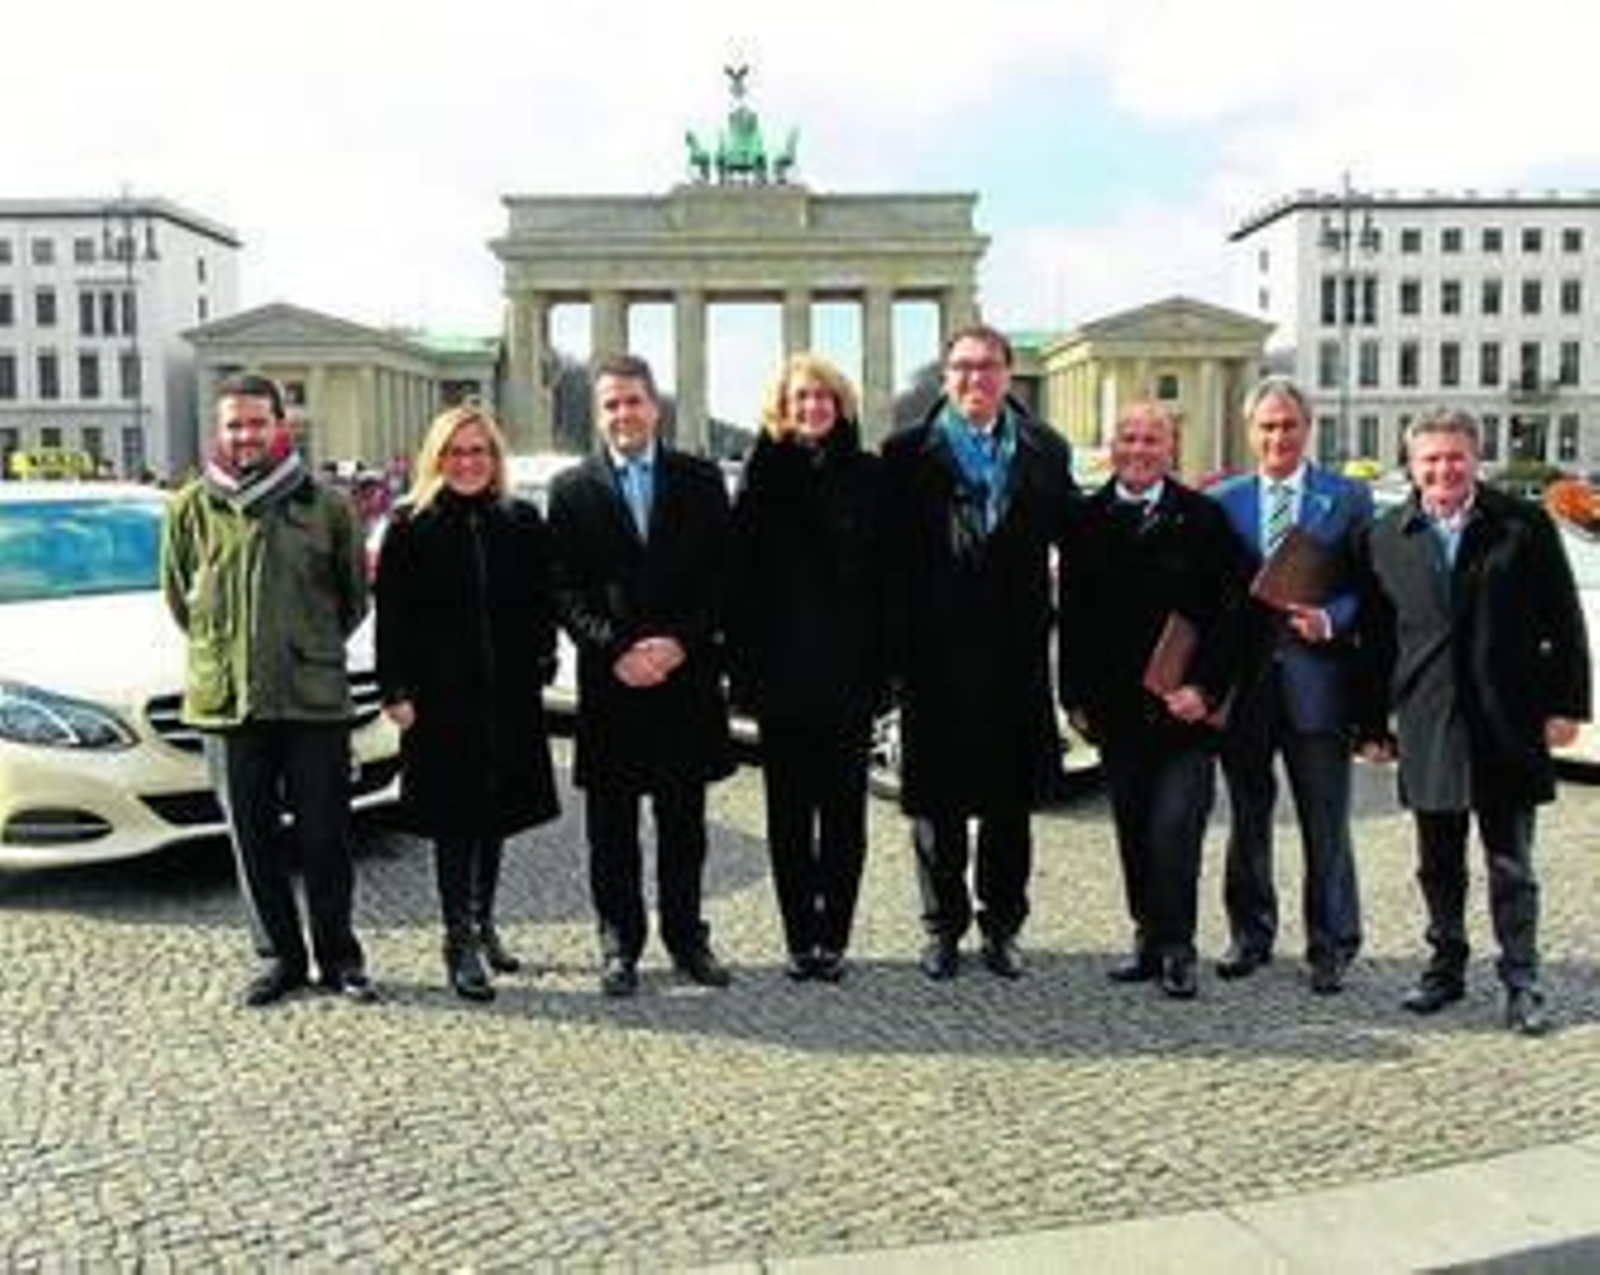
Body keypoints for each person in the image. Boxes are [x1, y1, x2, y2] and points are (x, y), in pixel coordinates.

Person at [1355, 409, 1589, 1036]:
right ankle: (1445, 968)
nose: (1443, 470)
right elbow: (1375, 639)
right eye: (1430, 459)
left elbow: (1562, 619)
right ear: (1412, 466)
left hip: (1506, 720)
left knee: (1511, 864)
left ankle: (1522, 979)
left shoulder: (1523, 526)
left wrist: (1568, 705)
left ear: (1475, 459)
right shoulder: (1385, 536)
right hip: (1429, 718)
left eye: (1455, 457)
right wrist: (1370, 724)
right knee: (1438, 862)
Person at [160, 373, 376, 1007]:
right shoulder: (191, 507)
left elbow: (352, 601)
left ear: (281, 425)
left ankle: (339, 957)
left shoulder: (327, 505)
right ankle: (280, 957)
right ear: (218, 431)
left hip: (312, 699)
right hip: (227, 703)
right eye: (234, 424)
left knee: (325, 837)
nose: (245, 435)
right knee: (252, 840)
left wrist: (301, 645)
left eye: (257, 422)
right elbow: (180, 599)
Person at [881, 322, 1077, 980]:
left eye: (987, 366)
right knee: (937, 807)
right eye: (962, 367)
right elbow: (885, 566)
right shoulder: (905, 454)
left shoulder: (1046, 450)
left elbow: (1079, 543)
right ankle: (942, 926)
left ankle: (1002, 925)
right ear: (945, 377)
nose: (974, 378)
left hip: (1016, 656)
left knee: (1008, 805)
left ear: (1008, 375)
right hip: (933, 657)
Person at [546, 354, 735, 997]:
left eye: (633, 401)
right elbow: (564, 590)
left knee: (685, 827)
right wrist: (616, 649)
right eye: (611, 405)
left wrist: (681, 643)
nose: (623, 415)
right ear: (599, 415)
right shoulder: (572, 489)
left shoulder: (701, 479)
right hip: (612, 683)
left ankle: (687, 938)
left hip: (684, 680)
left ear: (656, 407)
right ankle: (619, 943)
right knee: (611, 832)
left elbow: (722, 576)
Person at [1058, 401, 1247, 998]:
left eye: (1151, 440)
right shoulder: (1085, 519)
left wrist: (1207, 688)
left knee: (1175, 829)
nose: (1138, 450)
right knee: (1134, 831)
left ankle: (1178, 947)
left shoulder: (1204, 519)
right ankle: (1146, 936)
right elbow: (1075, 619)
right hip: (1118, 712)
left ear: (1171, 450)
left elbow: (1233, 614)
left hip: (1184, 711)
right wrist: (1074, 698)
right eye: (1128, 438)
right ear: (1111, 445)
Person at [374, 404, 561, 1002]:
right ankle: (458, 942)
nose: (468, 462)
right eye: (455, 452)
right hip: (440, 698)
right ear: (437, 459)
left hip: (506, 694)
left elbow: (541, 600)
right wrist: (394, 689)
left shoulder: (522, 520)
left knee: (496, 818)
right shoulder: (411, 524)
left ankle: (484, 924)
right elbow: (393, 618)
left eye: (479, 451)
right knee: (455, 823)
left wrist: (542, 659)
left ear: (494, 459)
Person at [1208, 375, 1371, 995]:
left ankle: (1330, 945)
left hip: (1319, 683)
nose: (1279, 436)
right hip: (1247, 687)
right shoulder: (1224, 502)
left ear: (1309, 429)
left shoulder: (1346, 498)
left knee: (1325, 822)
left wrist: (1334, 619)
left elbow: (1368, 586)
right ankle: (1251, 936)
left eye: (1289, 425)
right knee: (1247, 819)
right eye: (1267, 426)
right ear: (1251, 433)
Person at [727, 353, 884, 982]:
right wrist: (741, 670)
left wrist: (886, 667)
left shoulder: (871, 475)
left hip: (849, 672)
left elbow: (887, 577)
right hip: (782, 675)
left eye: (822, 396)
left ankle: (834, 937)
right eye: (800, 399)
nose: (812, 407)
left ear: (840, 404)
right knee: (788, 816)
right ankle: (800, 938)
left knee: (846, 815)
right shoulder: (763, 474)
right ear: (783, 410)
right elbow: (739, 577)